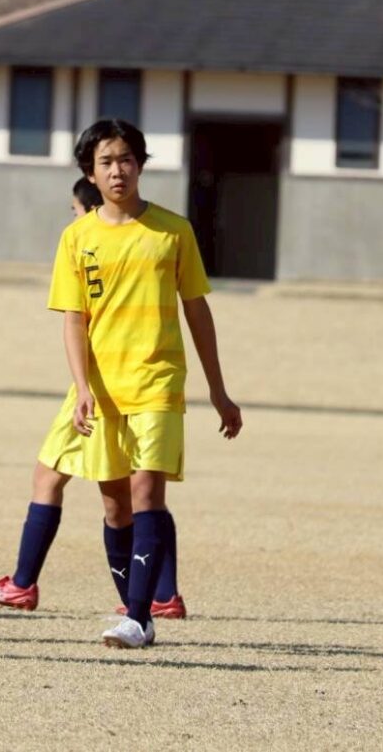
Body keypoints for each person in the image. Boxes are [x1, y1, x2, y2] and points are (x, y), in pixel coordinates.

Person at [51, 120, 241, 648]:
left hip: (158, 383)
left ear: (140, 164)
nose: (118, 170)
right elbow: (73, 319)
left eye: (127, 159)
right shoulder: (76, 238)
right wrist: (81, 388)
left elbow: (198, 311)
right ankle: (140, 614)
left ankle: (137, 616)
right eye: (107, 162)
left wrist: (218, 390)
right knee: (114, 506)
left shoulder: (172, 231)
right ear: (90, 172)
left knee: (146, 493)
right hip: (103, 390)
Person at [0, 177, 188, 619]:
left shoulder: (106, 239)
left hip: (107, 385)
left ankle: (24, 584)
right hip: (96, 384)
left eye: (74, 209)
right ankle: (161, 595)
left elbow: (81, 320)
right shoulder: (93, 239)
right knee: (133, 496)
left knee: (69, 481)